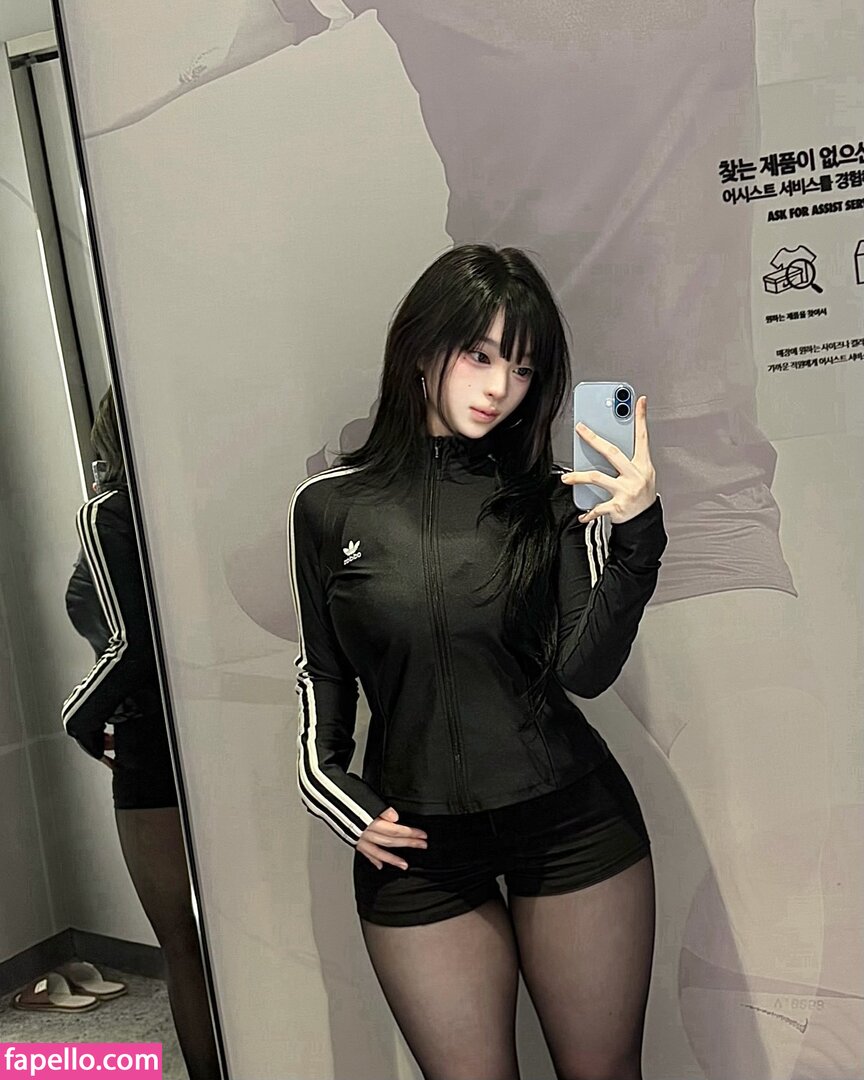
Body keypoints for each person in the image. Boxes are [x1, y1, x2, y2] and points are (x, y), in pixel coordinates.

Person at [287, 244, 668, 1080]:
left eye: (523, 369)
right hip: (419, 847)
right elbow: (323, 672)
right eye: (480, 355)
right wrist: (334, 793)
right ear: (423, 347)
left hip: (570, 824)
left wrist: (638, 538)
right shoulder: (328, 506)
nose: (500, 388)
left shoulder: (548, 497)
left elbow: (583, 671)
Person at [62, 387, 220, 1080]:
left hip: (152, 744)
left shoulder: (109, 511)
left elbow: (133, 647)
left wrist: (77, 718)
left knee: (182, 945)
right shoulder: (200, 506)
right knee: (242, 940)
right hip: (221, 730)